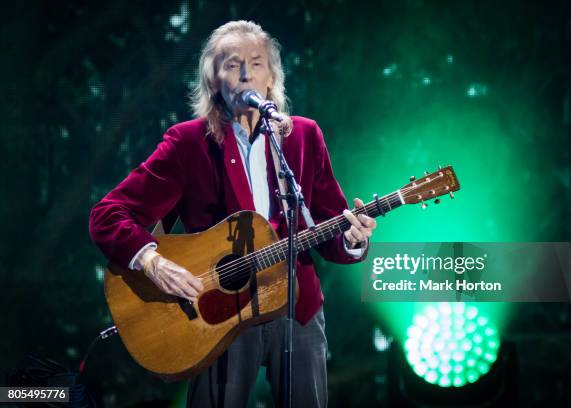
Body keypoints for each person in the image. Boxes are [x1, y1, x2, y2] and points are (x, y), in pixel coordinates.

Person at [89, 20, 376, 407]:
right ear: (213, 81)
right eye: (232, 64)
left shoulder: (304, 137)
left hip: (297, 307)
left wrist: (353, 240)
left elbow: (327, 229)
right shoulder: (187, 143)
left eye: (256, 63)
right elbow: (108, 214)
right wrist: (153, 262)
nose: (246, 75)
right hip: (215, 314)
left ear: (272, 76)